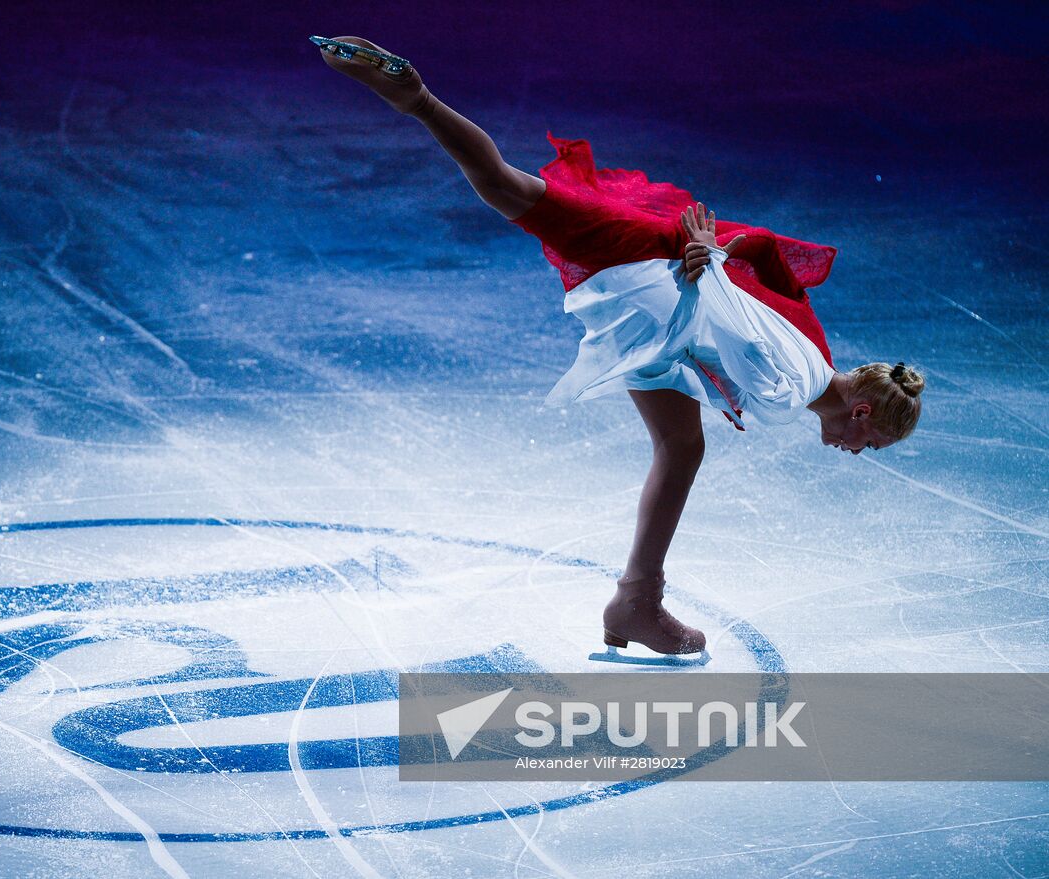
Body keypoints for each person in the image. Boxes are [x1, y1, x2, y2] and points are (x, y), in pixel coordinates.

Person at [315, 37, 926, 662]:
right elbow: (742, 326)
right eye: (871, 445)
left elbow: (767, 273)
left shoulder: (815, 359)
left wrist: (715, 260)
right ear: (862, 414)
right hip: (652, 268)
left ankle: (636, 601)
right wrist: (707, 263)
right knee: (509, 191)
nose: (859, 454)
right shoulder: (791, 387)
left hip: (664, 316)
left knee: (682, 445)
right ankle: (416, 97)